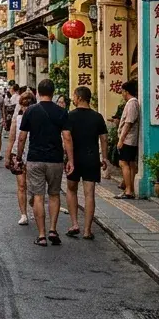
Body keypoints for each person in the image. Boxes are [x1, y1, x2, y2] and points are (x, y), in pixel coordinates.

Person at [15, 79, 68, 246]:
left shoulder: (30, 111)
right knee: (54, 194)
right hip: (55, 160)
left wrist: (19, 157)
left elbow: (22, 137)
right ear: (53, 93)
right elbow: (67, 137)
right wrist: (71, 159)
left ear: (38, 92)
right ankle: (52, 229)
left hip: (35, 159)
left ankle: (42, 235)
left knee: (38, 196)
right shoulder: (61, 112)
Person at [63, 86, 107, 239]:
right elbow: (104, 139)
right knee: (89, 194)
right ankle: (87, 230)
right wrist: (104, 158)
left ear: (79, 97)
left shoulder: (70, 116)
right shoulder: (98, 117)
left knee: (71, 189)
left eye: (74, 96)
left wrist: (70, 159)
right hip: (91, 158)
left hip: (74, 158)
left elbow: (67, 137)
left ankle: (75, 224)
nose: (73, 99)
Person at [5, 90, 35, 225]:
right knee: (21, 185)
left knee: (33, 185)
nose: (26, 107)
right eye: (24, 105)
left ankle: (33, 199)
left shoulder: (38, 119)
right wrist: (7, 157)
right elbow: (11, 139)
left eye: (28, 105)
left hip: (34, 155)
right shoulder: (17, 120)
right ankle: (24, 214)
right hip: (18, 155)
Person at [116, 80, 141, 199]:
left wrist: (121, 139)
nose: (122, 94)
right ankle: (129, 188)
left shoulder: (132, 103)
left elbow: (128, 123)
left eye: (122, 91)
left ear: (126, 91)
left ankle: (129, 190)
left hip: (128, 139)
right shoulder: (133, 103)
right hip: (130, 139)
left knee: (123, 163)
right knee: (130, 164)